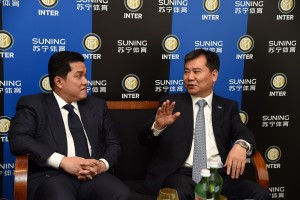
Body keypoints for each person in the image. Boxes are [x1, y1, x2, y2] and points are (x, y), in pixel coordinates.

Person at [138, 49, 270, 200]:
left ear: (214, 75)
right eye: (186, 72)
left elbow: (244, 133)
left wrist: (241, 145)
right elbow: (143, 139)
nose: (190, 77)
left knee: (260, 194)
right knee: (179, 192)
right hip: (182, 175)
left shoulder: (228, 107)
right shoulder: (171, 104)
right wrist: (158, 126)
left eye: (196, 71)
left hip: (217, 176)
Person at [8, 51, 130, 200]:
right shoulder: (33, 105)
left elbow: (113, 143)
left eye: (85, 75)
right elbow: (18, 140)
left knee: (121, 194)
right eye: (78, 76)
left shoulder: (97, 105)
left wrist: (101, 165)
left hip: (93, 175)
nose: (86, 81)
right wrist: (63, 161)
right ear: (59, 81)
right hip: (53, 175)